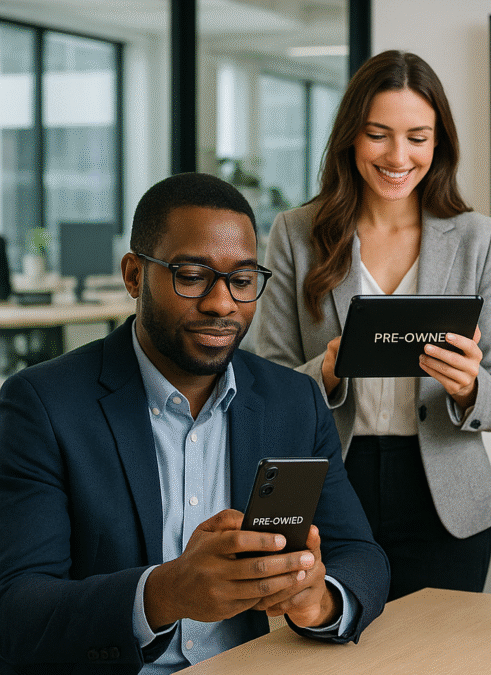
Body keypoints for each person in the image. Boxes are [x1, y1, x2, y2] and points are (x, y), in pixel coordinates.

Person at [0, 173, 390, 675]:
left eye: (242, 280)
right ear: (135, 276)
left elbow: (360, 554)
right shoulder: (43, 405)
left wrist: (319, 602)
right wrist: (164, 593)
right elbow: (17, 612)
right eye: (191, 275)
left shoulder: (294, 401)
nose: (222, 302)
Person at [257, 50, 491, 601]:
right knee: (329, 650)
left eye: (417, 137)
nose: (398, 156)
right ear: (351, 137)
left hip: (445, 501)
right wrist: (325, 374)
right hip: (331, 486)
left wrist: (470, 387)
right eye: (379, 135)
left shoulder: (480, 238)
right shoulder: (296, 233)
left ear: (438, 143)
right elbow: (265, 384)